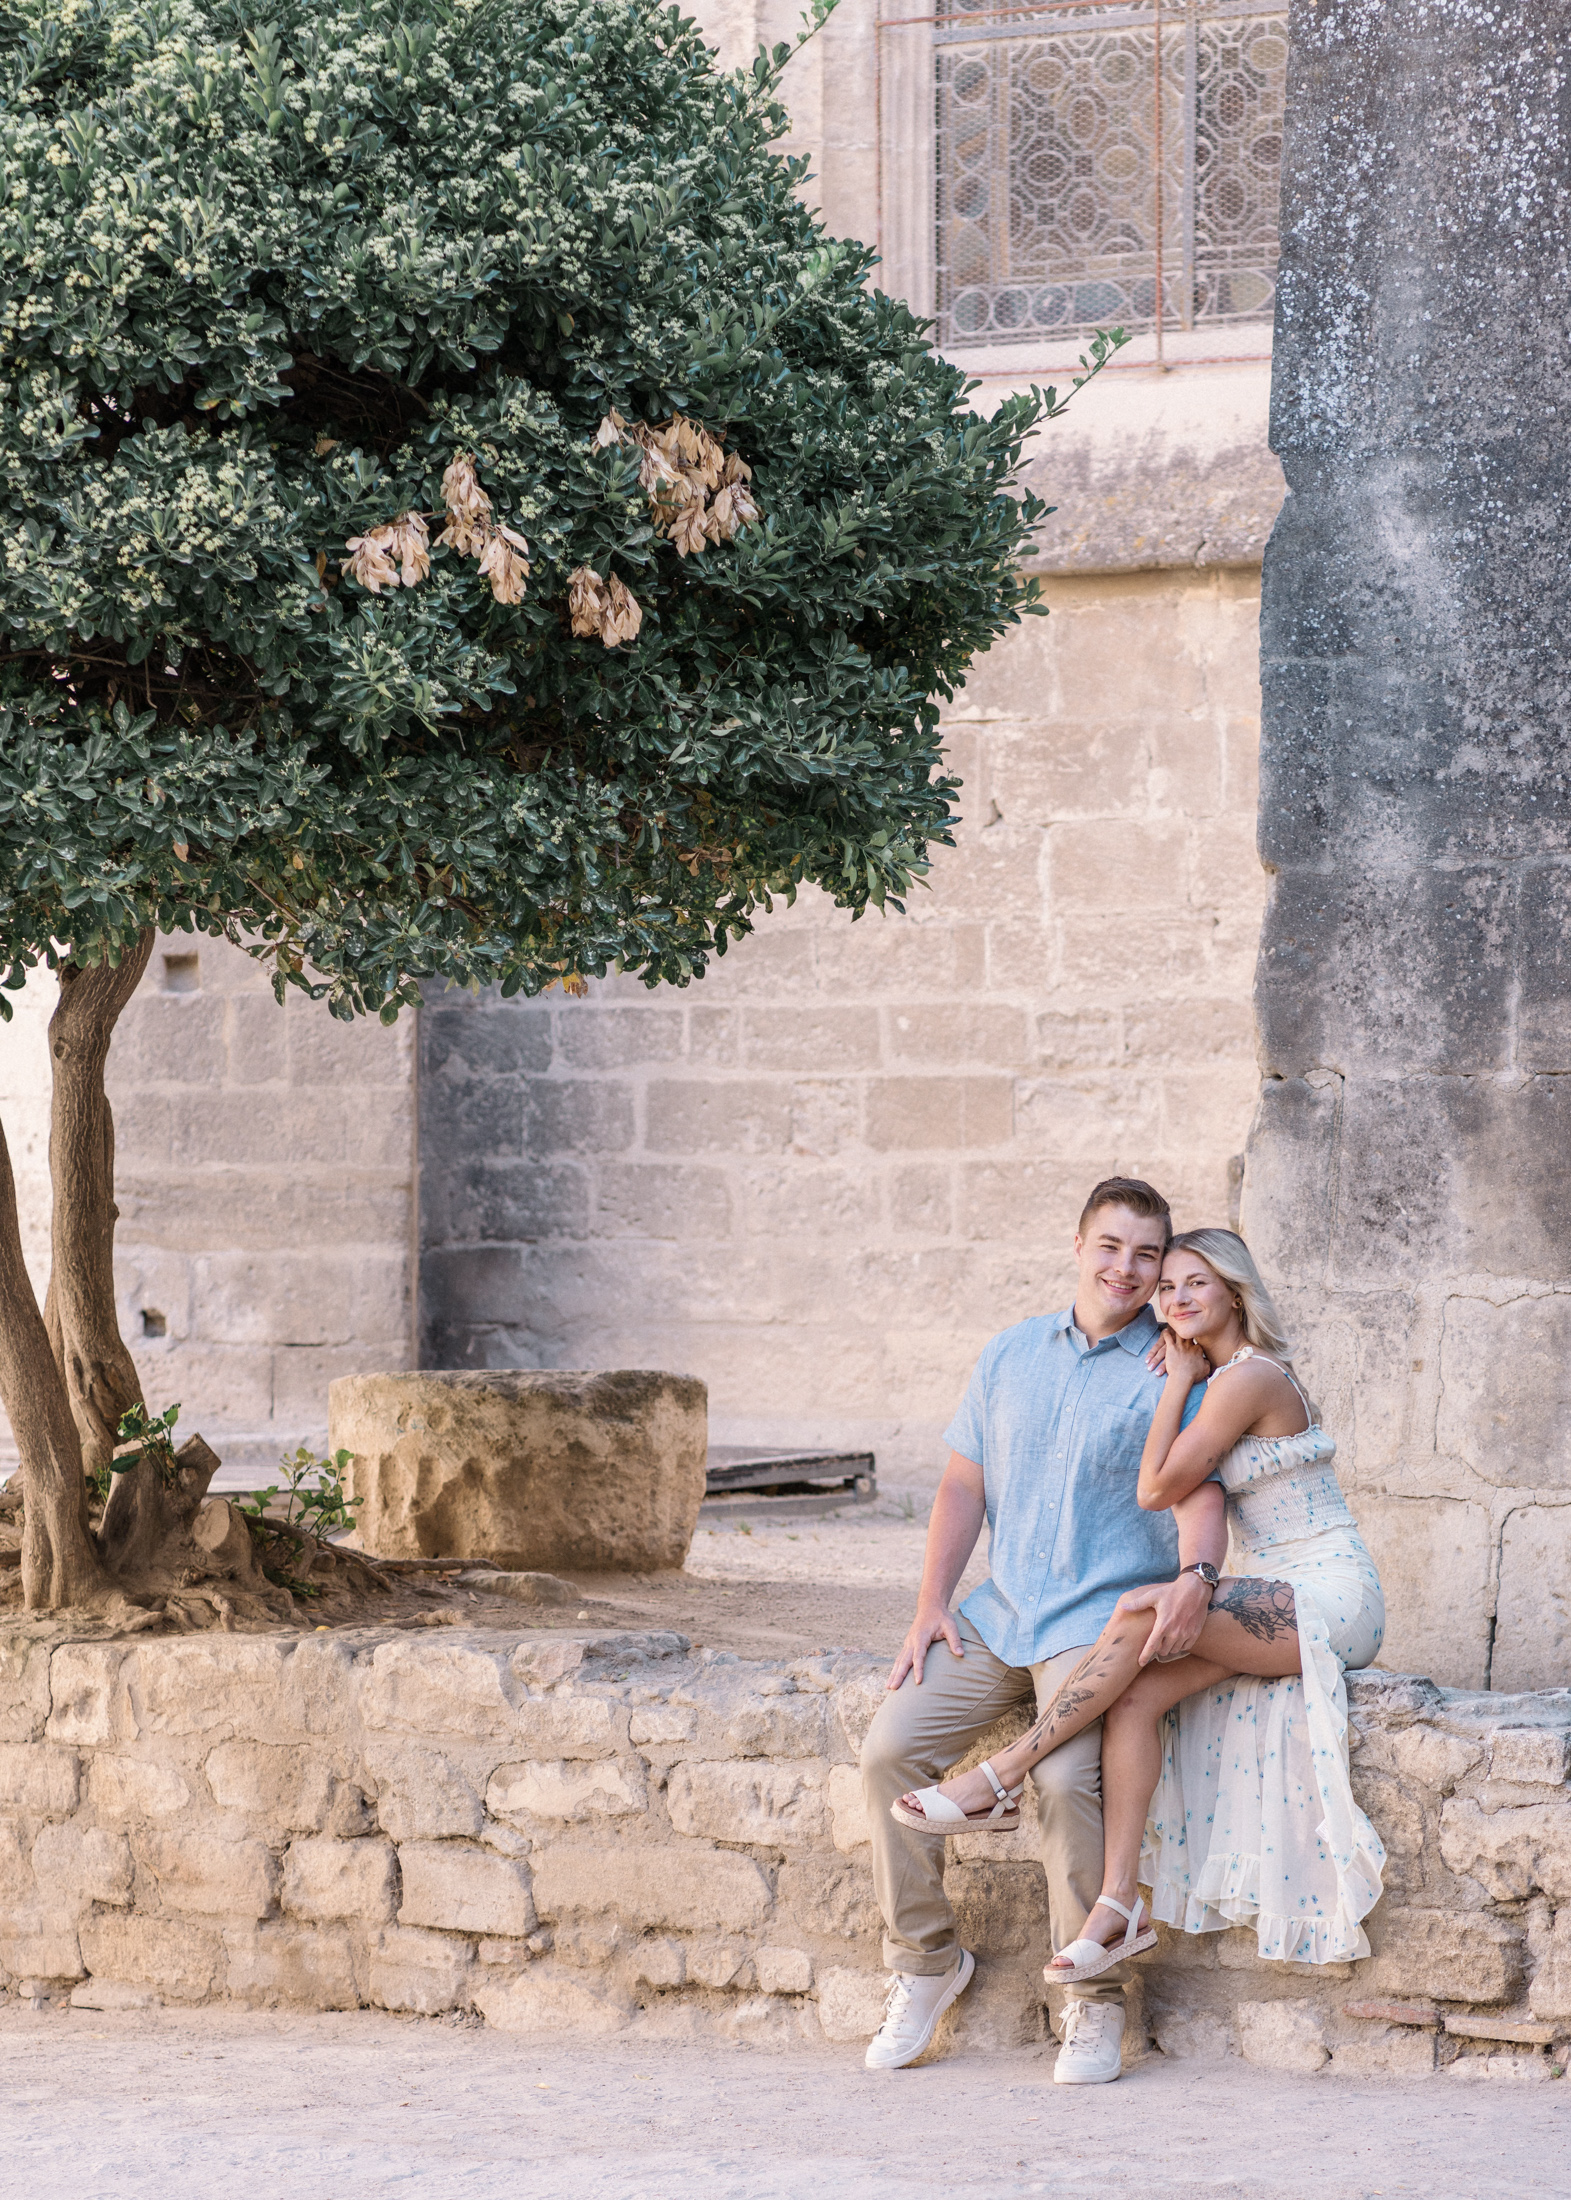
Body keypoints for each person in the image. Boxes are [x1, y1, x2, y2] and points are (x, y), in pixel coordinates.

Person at [898, 1227, 1386, 1996]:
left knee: (1137, 1615)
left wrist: (1169, 1384)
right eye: (1169, 1288)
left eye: (1195, 1283)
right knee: (1136, 1695)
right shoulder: (1217, 1376)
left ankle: (1000, 1775)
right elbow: (1169, 1487)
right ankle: (1118, 1905)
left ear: (1233, 1290)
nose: (1177, 1298)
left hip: (1330, 1592)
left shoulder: (1247, 1378)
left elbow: (1154, 1487)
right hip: (1278, 1592)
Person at [859, 1179, 1228, 2084]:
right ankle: (927, 1965)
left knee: (1067, 1782)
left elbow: (1200, 1496)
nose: (1128, 1269)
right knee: (886, 1753)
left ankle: (1092, 2002)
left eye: (1147, 1254)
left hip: (1097, 1626)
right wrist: (931, 1601)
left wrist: (1192, 1582)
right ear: (1077, 1246)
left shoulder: (1177, 1369)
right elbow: (960, 1487)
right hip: (1000, 1612)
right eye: (1111, 1247)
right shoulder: (1010, 1353)